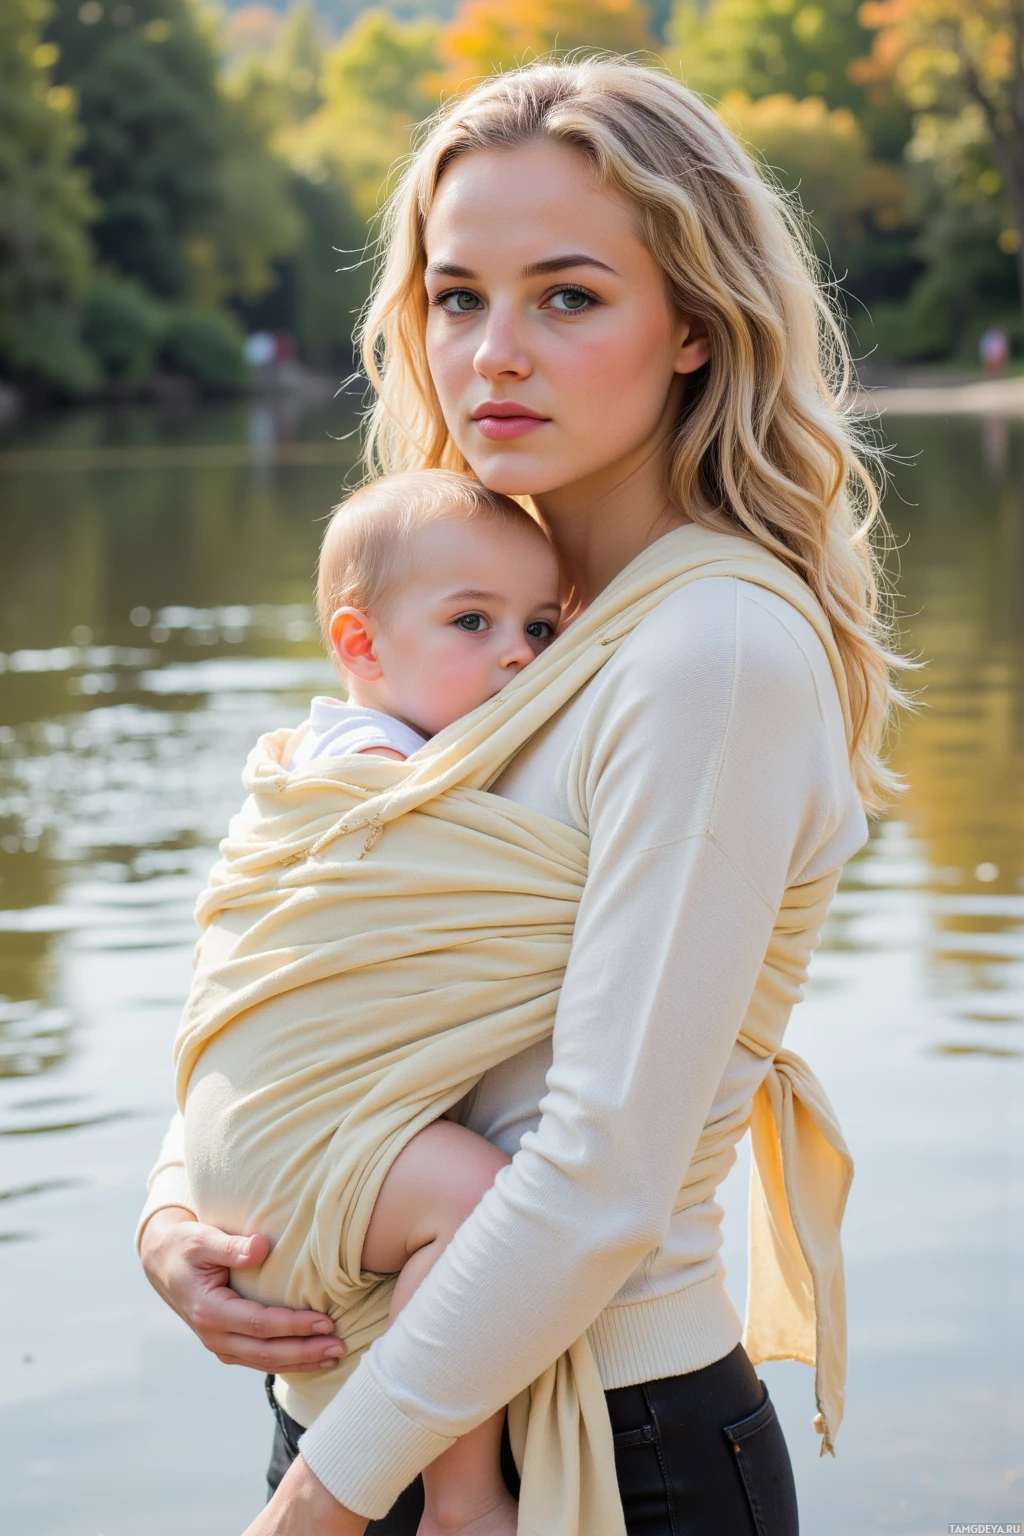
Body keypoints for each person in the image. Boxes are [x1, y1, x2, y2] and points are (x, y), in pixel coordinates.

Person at [138, 57, 904, 1536]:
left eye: (566, 296)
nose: (492, 353)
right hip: (359, 1426)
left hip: (596, 1449)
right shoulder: (480, 628)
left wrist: (314, 1510)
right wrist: (177, 1209)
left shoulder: (709, 652)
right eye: (456, 297)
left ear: (694, 325)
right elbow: (300, 973)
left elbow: (600, 1179)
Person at [178, 468, 562, 1536]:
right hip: (299, 1142)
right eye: (473, 622)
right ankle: (463, 1499)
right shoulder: (378, 769)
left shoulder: (361, 750)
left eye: (540, 625)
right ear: (361, 645)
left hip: (257, 1148)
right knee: (482, 1206)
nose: (520, 654)